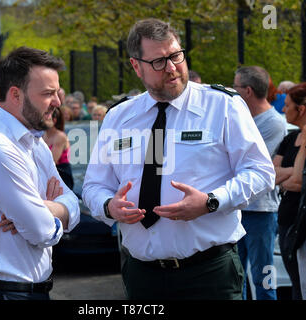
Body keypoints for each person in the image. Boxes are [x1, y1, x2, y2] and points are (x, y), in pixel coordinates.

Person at [82, 18, 275, 300]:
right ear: (136, 66)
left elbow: (260, 172)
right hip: (142, 275)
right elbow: (93, 186)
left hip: (209, 273)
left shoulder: (223, 105)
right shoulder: (119, 116)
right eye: (159, 62)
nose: (172, 68)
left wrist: (211, 201)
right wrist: (109, 207)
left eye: (176, 56)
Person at [0, 47, 80, 300]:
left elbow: (72, 204)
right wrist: (53, 212)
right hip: (1, 294)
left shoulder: (35, 144)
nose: (58, 102)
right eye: (48, 94)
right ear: (16, 94)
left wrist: (44, 207)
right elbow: (40, 232)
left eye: (56, 93)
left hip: (28, 292)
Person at [233, 66, 287, 300]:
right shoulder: (244, 119)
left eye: (235, 87)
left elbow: (250, 164)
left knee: (263, 276)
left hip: (261, 212)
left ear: (247, 91)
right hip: (238, 209)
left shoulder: (273, 123)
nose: (232, 93)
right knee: (236, 276)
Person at [273, 82, 306, 300]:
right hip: (287, 220)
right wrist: (291, 174)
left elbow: (297, 182)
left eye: (287, 104)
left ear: (301, 109)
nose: (283, 109)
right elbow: (271, 175)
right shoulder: (290, 138)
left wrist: (286, 177)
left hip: (301, 224)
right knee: (297, 284)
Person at [43, 107, 74, 190]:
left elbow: (52, 161)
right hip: (48, 175)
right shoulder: (43, 135)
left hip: (62, 176)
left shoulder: (60, 136)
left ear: (54, 120)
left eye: (45, 116)